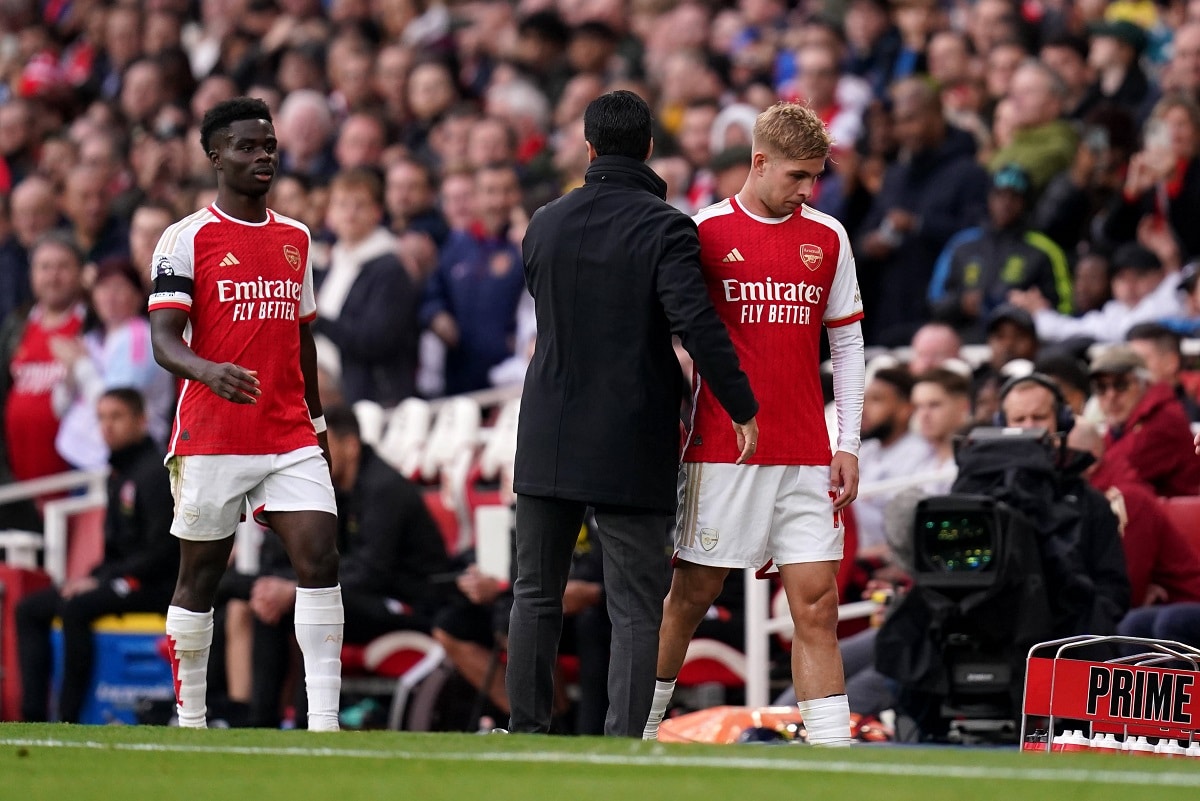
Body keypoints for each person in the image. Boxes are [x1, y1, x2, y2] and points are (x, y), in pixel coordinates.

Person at [509, 90, 759, 737]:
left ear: (588, 148)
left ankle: (527, 731)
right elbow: (695, 324)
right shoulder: (665, 226)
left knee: (535, 593)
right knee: (635, 606)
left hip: (546, 431)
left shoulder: (544, 223)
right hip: (628, 434)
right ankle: (626, 744)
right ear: (649, 147)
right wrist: (741, 402)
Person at [643, 101, 864, 746]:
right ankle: (640, 733)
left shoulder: (829, 237)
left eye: (816, 177)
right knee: (691, 596)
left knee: (817, 604)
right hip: (722, 451)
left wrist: (846, 442)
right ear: (758, 161)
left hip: (805, 451)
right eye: (797, 175)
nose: (808, 190)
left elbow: (847, 346)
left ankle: (833, 754)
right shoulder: (702, 233)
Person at [148, 98, 343, 731]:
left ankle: (325, 723)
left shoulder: (297, 237)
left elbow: (303, 337)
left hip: (288, 432)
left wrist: (316, 424)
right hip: (212, 434)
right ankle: (193, 719)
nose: (263, 156)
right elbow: (164, 338)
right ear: (215, 157)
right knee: (199, 578)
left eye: (268, 145)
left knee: (319, 555)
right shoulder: (185, 238)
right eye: (246, 147)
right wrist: (207, 370)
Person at [15, 388, 177, 722]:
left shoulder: (155, 473)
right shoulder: (120, 474)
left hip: (156, 585)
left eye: (116, 417)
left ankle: (69, 716)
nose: (107, 426)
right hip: (122, 578)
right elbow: (115, 552)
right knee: (29, 609)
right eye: (101, 417)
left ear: (141, 420)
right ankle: (31, 714)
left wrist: (103, 581)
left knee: (77, 607)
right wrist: (93, 577)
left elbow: (162, 550)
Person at [1088, 345, 1200, 497]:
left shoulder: (1164, 420)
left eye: (1121, 384)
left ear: (1144, 383)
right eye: (1101, 387)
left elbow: (1106, 476)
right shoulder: (1125, 422)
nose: (1111, 396)